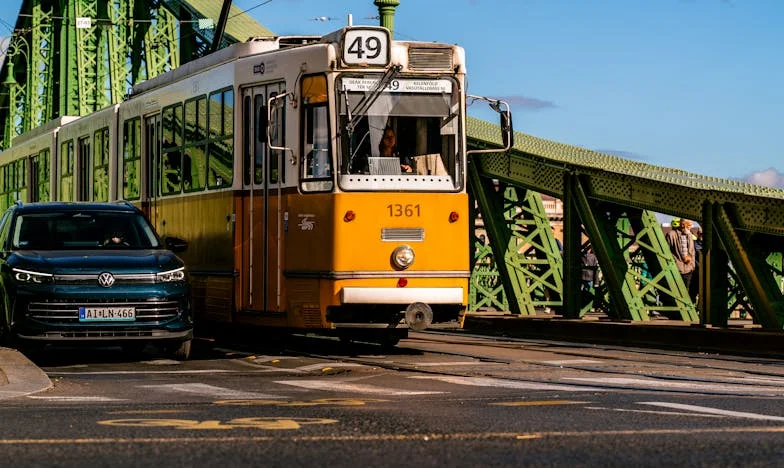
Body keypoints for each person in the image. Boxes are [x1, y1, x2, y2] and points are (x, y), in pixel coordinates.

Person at [665, 218, 696, 297]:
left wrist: (692, 265)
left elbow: (692, 251)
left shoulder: (690, 235)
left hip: (688, 269)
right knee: (676, 293)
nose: (691, 227)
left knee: (686, 292)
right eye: (689, 225)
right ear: (683, 225)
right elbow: (667, 251)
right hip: (677, 269)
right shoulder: (671, 234)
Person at [689, 227, 703, 304]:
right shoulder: (693, 244)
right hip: (696, 272)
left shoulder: (694, 244)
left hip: (702, 272)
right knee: (693, 291)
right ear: (698, 234)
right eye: (700, 234)